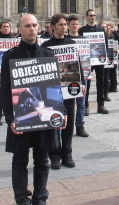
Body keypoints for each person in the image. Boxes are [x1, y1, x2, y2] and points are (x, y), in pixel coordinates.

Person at [1, 14, 64, 205]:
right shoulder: (10, 56)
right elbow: (5, 89)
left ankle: (40, 197)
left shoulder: (48, 55)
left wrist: (62, 113)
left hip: (43, 116)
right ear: (19, 29)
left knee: (42, 160)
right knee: (20, 160)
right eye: (27, 26)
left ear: (39, 28)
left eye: (35, 25)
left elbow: (55, 88)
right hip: (21, 116)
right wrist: (10, 118)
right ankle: (22, 198)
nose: (32, 29)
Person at [41, 14, 83, 169]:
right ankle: (54, 154)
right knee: (53, 120)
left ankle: (67, 152)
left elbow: (77, 65)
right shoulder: (46, 46)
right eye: (61, 25)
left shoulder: (72, 43)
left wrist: (82, 83)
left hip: (69, 87)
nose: (64, 27)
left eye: (65, 25)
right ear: (53, 26)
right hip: (52, 89)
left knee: (69, 121)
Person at [78, 9, 108, 114]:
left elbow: (105, 43)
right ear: (86, 17)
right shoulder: (82, 30)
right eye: (90, 15)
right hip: (87, 61)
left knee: (101, 84)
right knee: (87, 84)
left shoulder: (100, 29)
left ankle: (101, 105)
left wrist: (106, 57)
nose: (92, 17)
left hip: (99, 60)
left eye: (94, 15)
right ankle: (85, 106)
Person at [67, 14, 89, 138]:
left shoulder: (83, 40)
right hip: (68, 75)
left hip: (82, 74)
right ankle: (68, 126)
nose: (75, 26)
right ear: (68, 25)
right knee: (68, 104)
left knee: (81, 103)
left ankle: (80, 126)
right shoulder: (65, 40)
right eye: (72, 24)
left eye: (76, 24)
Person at [0, 20, 14, 126]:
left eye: (7, 27)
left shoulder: (15, 41)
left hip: (11, 70)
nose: (6, 28)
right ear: (0, 29)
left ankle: (11, 115)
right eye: (4, 27)